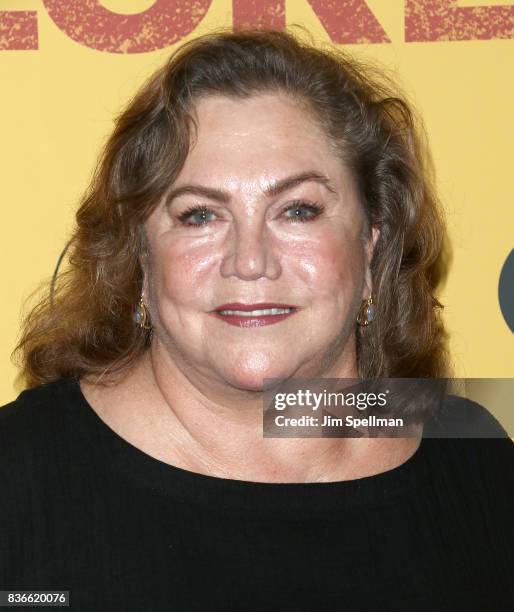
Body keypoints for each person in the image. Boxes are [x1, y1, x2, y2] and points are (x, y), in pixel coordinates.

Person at [1, 30, 512, 611]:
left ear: (371, 246)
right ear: (142, 258)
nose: (250, 261)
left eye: (298, 210)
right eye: (199, 215)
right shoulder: (18, 475)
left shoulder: (475, 451)